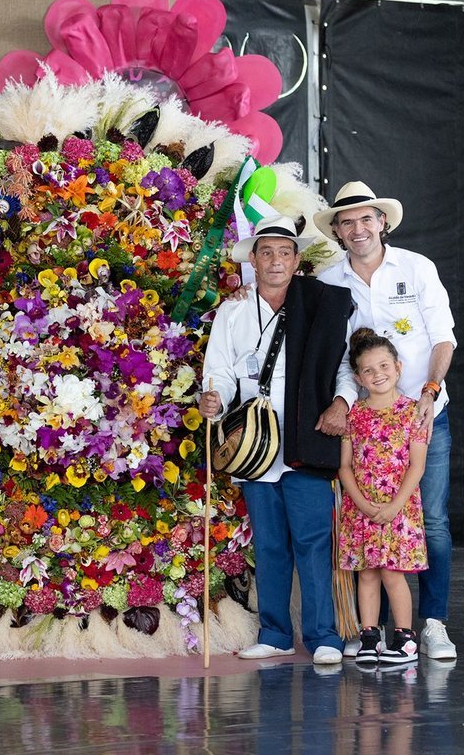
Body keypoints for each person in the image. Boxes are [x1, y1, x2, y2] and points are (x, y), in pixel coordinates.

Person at [198, 215, 356, 665]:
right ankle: (275, 634)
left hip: (308, 436)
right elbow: (220, 370)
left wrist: (342, 402)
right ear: (253, 258)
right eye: (266, 252)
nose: (275, 261)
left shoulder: (322, 303)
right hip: (253, 441)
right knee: (268, 544)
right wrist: (214, 398)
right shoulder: (232, 311)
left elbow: (344, 364)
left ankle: (324, 637)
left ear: (297, 260)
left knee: (313, 540)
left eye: (284, 252)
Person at [314, 181, 458, 660]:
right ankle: (369, 629)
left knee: (431, 521)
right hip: (369, 428)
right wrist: (342, 401)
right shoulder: (331, 282)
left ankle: (431, 623)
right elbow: (341, 358)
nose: (358, 229)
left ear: (382, 222)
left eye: (366, 218)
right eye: (347, 222)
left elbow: (443, 338)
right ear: (337, 231)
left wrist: (429, 391)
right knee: (367, 526)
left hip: (422, 416)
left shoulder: (417, 268)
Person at [338, 328, 429, 666]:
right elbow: (345, 466)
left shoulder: (413, 413)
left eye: (384, 366)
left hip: (398, 508)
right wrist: (362, 504)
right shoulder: (354, 415)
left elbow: (417, 466)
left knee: (392, 572)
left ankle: (405, 640)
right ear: (358, 378)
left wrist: (394, 506)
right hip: (360, 507)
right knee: (366, 573)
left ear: (398, 367)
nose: (378, 374)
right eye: (368, 370)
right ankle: (370, 636)